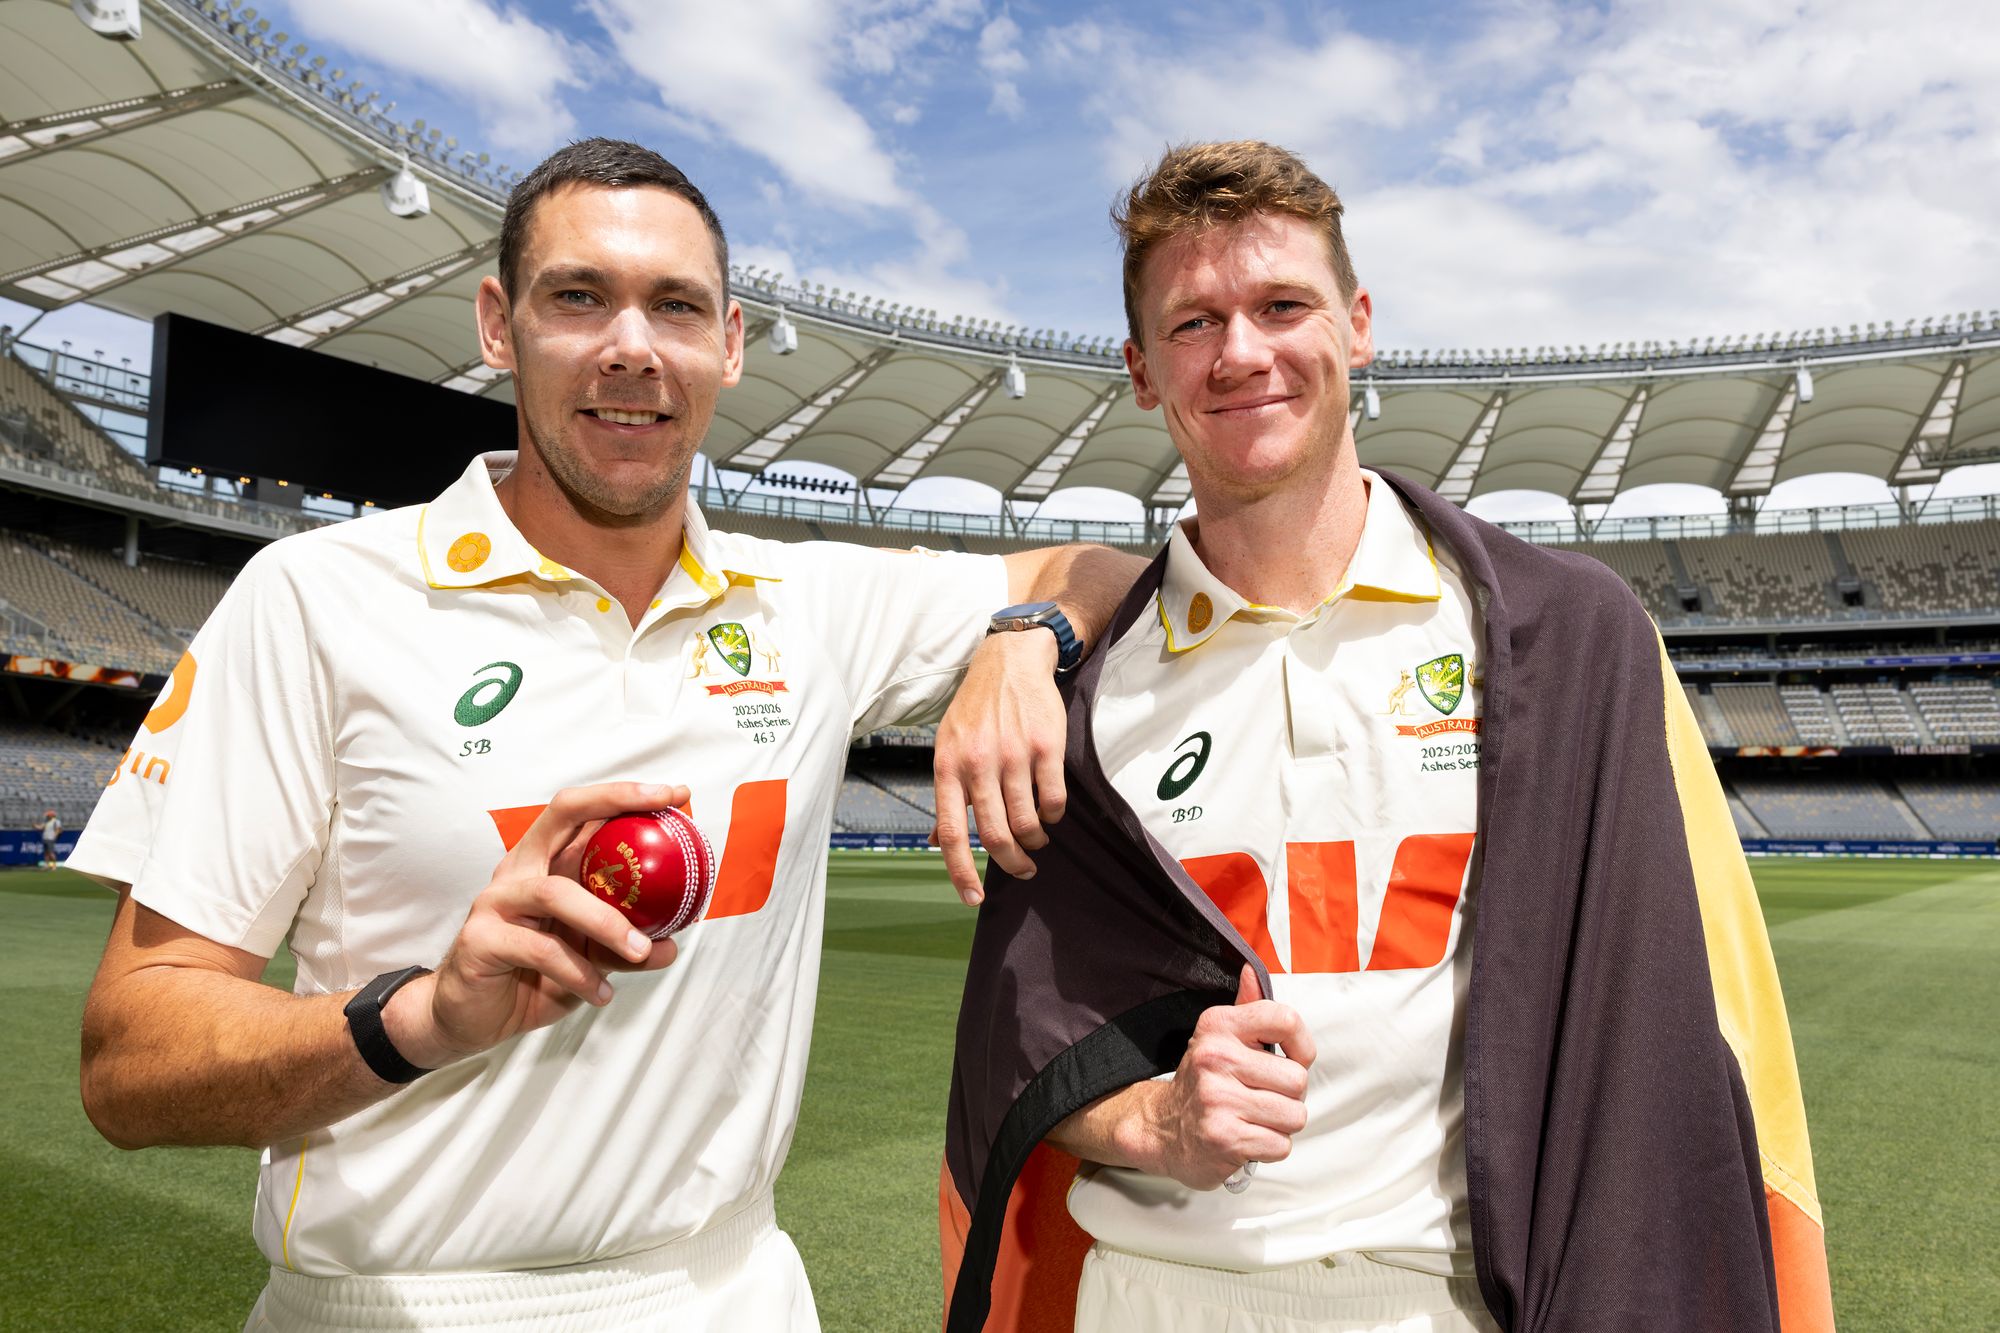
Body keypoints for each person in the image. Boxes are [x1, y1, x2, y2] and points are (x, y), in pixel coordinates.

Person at [70, 138, 1135, 1333]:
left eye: (674, 305)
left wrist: (1022, 635)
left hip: (730, 1291)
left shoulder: (814, 603)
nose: (632, 345)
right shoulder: (316, 597)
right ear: (497, 324)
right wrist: (418, 1016)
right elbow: (129, 1058)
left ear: (728, 345)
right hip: (396, 1304)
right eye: (579, 296)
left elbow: (1102, 566)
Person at [940, 141, 1834, 1333]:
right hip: (1150, 1297)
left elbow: (1679, 1027)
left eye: (1280, 305)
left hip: (1451, 1302)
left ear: (1357, 324)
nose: (1242, 351)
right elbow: (1022, 1043)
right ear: (1141, 370)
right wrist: (1149, 1122)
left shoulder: (1566, 642)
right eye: (1193, 323)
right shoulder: (1079, 692)